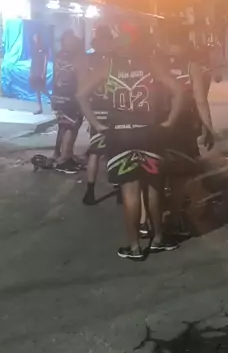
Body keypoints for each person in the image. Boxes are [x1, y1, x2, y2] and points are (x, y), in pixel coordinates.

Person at [76, 28, 184, 260]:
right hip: (149, 133)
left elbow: (81, 95)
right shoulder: (151, 64)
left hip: (120, 136)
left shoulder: (108, 65)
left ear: (118, 46)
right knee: (154, 188)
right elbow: (179, 90)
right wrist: (170, 122)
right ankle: (158, 239)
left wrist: (97, 124)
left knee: (130, 192)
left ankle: (134, 247)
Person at [159, 42, 215, 236]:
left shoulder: (155, 63)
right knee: (179, 175)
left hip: (156, 124)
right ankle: (175, 219)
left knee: (156, 173)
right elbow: (200, 100)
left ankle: (149, 221)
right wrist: (208, 127)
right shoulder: (191, 66)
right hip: (182, 125)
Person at [83, 25, 115, 206]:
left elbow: (82, 85)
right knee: (116, 150)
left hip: (95, 110)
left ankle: (90, 192)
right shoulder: (114, 59)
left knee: (95, 152)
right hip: (113, 110)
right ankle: (121, 188)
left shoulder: (89, 60)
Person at [51, 30, 86, 174]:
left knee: (65, 125)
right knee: (71, 126)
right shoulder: (75, 57)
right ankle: (64, 160)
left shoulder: (59, 55)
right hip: (70, 97)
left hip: (58, 96)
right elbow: (80, 77)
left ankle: (67, 155)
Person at [29, 33, 48, 115]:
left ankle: (53, 101)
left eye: (36, 38)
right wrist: (31, 71)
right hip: (34, 69)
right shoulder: (34, 48)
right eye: (34, 38)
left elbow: (46, 60)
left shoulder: (44, 48)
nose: (35, 40)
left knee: (42, 89)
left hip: (40, 70)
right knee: (37, 90)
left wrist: (44, 71)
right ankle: (40, 108)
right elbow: (33, 59)